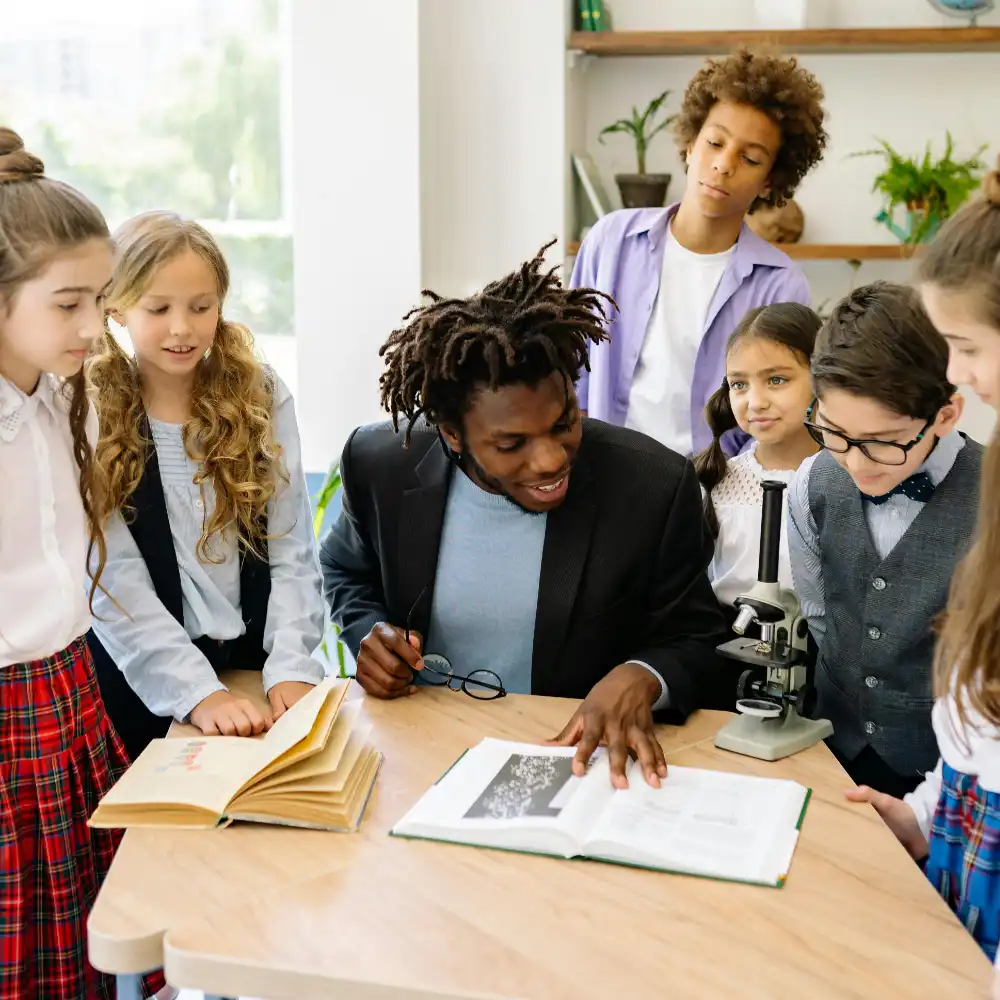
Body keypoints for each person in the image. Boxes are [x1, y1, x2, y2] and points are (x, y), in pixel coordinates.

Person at [321, 244, 729, 789]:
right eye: (511, 444)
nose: (552, 459)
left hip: (573, 763)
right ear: (452, 434)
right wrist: (370, 631)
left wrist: (642, 676)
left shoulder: (652, 484)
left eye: (564, 423)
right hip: (414, 752)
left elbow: (698, 637)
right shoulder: (381, 465)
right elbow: (348, 571)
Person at [86, 212, 324, 761]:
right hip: (144, 687)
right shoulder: (93, 414)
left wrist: (290, 665)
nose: (182, 328)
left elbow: (292, 549)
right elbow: (113, 582)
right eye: (158, 308)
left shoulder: (261, 396)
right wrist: (199, 694)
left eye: (201, 306)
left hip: (258, 678)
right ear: (116, 306)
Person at [845, 162, 1000, 976]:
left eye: (969, 346)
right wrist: (924, 817)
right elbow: (980, 732)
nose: (956, 375)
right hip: (962, 858)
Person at [0, 127, 139, 999]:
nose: (95, 327)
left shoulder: (64, 399)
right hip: (8, 723)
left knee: (81, 959)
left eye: (102, 298)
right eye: (68, 302)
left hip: (71, 697)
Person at [570, 47, 827, 457]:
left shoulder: (779, 283)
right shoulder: (611, 240)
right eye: (714, 143)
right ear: (690, 145)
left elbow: (775, 415)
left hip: (711, 494)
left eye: (749, 157)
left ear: (769, 181)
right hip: (603, 475)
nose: (723, 165)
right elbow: (572, 370)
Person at [787, 281, 982, 799]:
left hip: (953, 776)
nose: (852, 461)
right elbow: (822, 617)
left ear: (946, 415)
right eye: (834, 432)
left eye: (883, 443)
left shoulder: (993, 503)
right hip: (831, 748)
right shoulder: (811, 482)